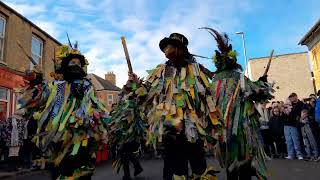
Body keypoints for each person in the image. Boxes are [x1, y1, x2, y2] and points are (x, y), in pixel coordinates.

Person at [129, 33, 217, 179]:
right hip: (172, 130)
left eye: (168, 46)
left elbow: (207, 96)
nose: (165, 50)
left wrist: (211, 123)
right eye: (164, 48)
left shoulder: (196, 70)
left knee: (199, 168)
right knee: (176, 168)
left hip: (194, 128)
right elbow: (147, 92)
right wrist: (135, 84)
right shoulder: (162, 70)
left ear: (179, 49)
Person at [18, 44, 109, 179]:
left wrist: (90, 117)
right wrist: (36, 79)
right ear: (66, 65)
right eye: (72, 62)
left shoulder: (87, 86)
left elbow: (96, 106)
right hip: (58, 135)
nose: (76, 64)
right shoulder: (56, 86)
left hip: (81, 134)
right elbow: (39, 99)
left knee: (80, 168)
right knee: (59, 168)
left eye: (78, 62)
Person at [203, 28, 273, 180]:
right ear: (233, 61)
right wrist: (263, 81)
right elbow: (257, 91)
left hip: (224, 131)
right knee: (244, 160)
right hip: (241, 129)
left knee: (231, 164)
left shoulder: (214, 82)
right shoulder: (238, 77)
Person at [108, 84, 145, 180]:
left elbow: (128, 119)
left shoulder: (131, 103)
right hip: (126, 133)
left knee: (124, 153)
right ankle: (137, 168)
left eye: (124, 91)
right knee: (126, 153)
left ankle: (127, 175)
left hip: (129, 133)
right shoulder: (127, 102)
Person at [283, 96, 303, 160]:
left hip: (293, 126)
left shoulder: (293, 109)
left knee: (295, 140)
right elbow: (283, 118)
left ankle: (299, 154)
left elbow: (293, 116)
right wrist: (284, 111)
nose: (286, 105)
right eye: (286, 104)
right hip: (286, 126)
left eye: (288, 104)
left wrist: (289, 110)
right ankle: (291, 155)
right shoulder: (284, 111)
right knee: (289, 141)